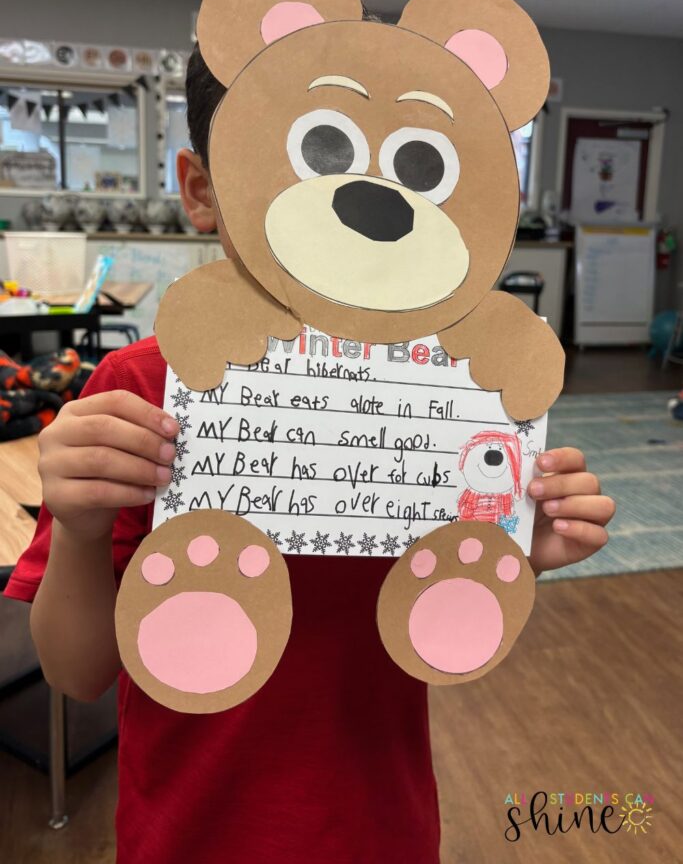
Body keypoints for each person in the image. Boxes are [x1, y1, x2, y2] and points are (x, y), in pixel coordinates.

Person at [5, 46, 616, 864]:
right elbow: (77, 673)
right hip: (188, 834)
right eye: (309, 155)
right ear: (201, 189)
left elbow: (440, 635)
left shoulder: (454, 405)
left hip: (381, 827)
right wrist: (79, 529)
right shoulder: (140, 389)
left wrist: (510, 550)